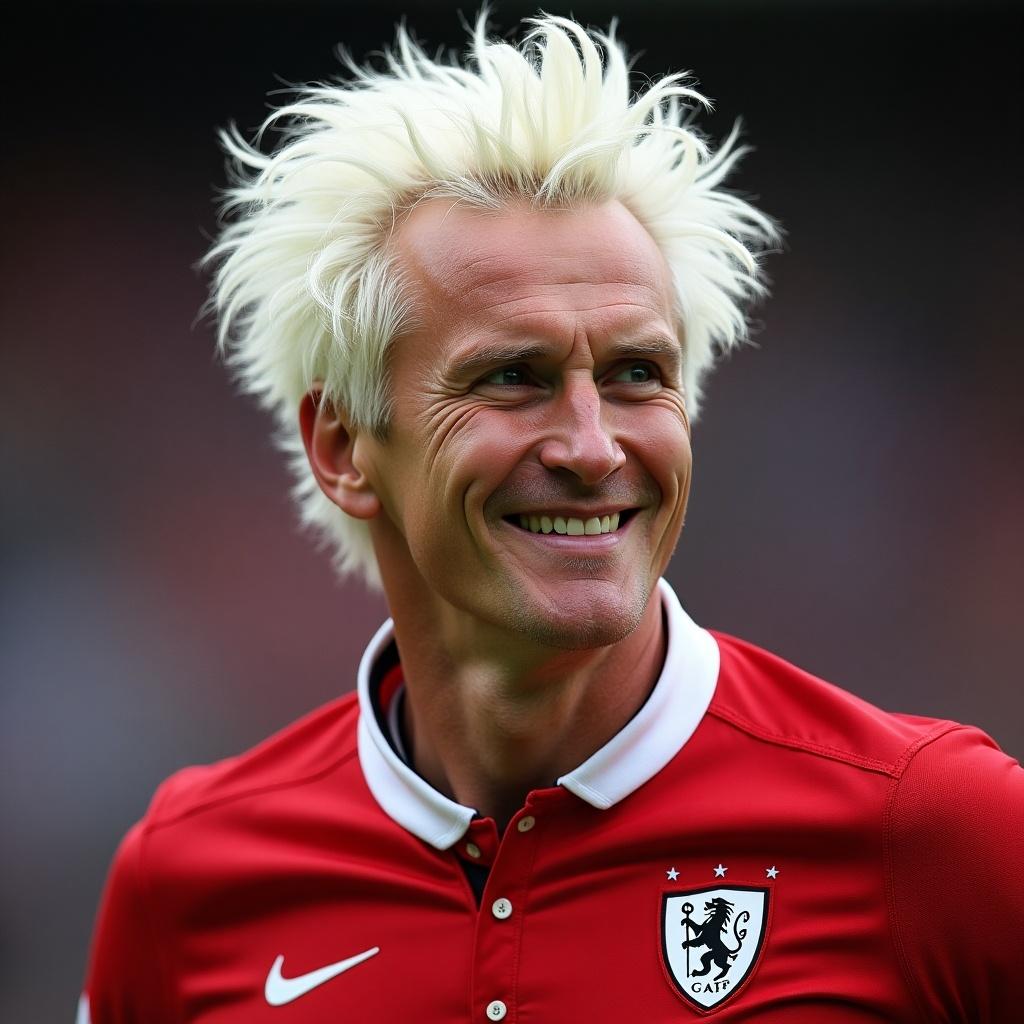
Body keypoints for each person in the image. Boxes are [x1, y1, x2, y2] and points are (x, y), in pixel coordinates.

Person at [79, 13, 1023, 1023]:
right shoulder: (185, 879)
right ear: (344, 448)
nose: (591, 444)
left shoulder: (942, 830)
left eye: (633, 375)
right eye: (512, 377)